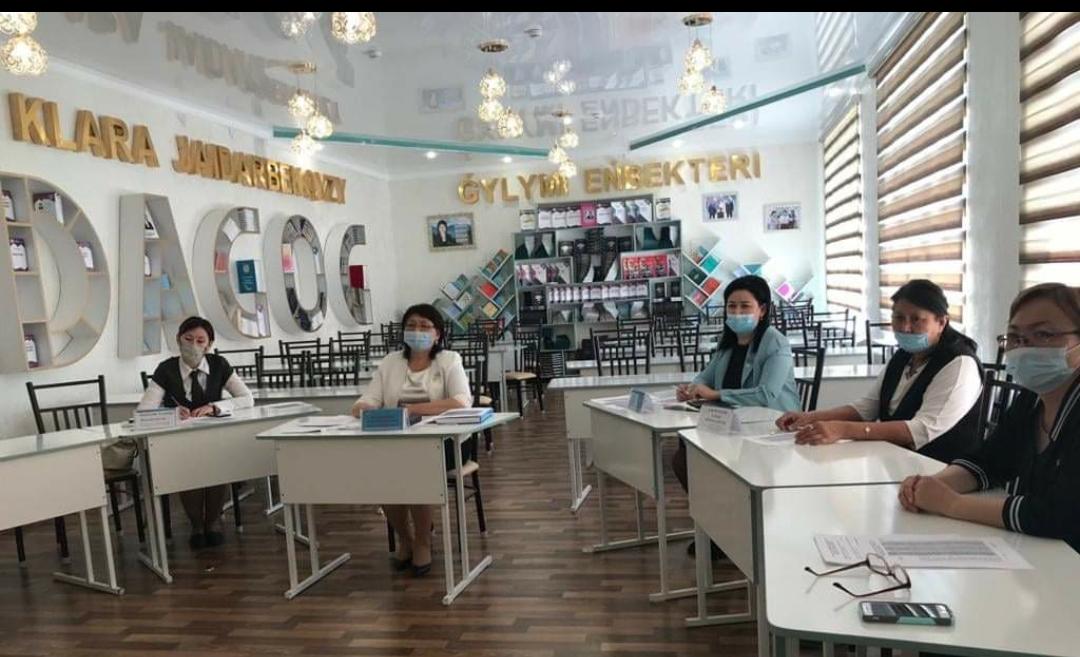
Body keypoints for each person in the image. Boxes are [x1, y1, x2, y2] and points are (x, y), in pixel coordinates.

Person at [899, 283, 1080, 553]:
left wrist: (952, 504)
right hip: (1038, 553)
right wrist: (931, 484)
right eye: (1015, 337)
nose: (1024, 348)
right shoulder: (1032, 399)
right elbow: (990, 460)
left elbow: (1061, 514)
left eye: (1044, 334)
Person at [777, 279, 983, 463]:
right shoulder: (903, 356)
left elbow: (922, 429)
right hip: (898, 461)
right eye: (899, 318)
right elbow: (867, 408)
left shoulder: (959, 364)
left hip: (942, 471)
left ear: (941, 322)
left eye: (916, 319)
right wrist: (811, 417)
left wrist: (842, 429)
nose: (905, 327)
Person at [672, 275, 799, 557]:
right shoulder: (728, 341)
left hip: (769, 426)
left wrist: (715, 394)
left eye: (745, 306)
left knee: (708, 460)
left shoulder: (775, 342)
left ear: (762, 309)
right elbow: (706, 376)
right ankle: (720, 526)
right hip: (731, 423)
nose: (737, 313)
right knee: (685, 454)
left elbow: (766, 394)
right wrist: (692, 388)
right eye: (731, 306)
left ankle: (734, 530)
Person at [350, 303, 473, 576]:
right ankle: (405, 538)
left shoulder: (449, 360)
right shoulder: (391, 362)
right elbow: (368, 400)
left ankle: (423, 541)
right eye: (411, 325)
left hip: (444, 442)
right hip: (396, 440)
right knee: (382, 475)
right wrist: (364, 408)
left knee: (413, 469)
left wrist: (412, 410)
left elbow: (461, 402)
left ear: (437, 334)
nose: (417, 331)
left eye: (425, 326)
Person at [137, 316, 254, 549]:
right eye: (188, 339)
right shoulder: (166, 369)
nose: (193, 345)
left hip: (215, 437)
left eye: (200, 341)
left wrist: (215, 407)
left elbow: (247, 398)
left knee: (217, 469)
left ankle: (212, 524)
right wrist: (171, 412)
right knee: (188, 470)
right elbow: (144, 411)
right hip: (181, 440)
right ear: (178, 340)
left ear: (209, 345)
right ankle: (197, 526)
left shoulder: (219, 365)